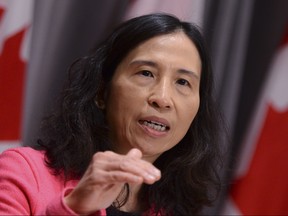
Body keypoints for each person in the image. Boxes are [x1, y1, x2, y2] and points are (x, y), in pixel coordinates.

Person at [0, 13, 224, 215]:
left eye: (183, 82)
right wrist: (77, 207)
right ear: (101, 92)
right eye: (146, 73)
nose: (162, 98)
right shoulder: (23, 172)